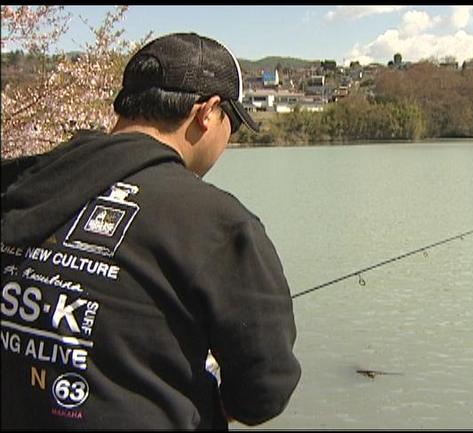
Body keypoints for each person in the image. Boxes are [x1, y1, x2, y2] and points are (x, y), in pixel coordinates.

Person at [1, 32, 301, 430]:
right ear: (208, 112)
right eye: (234, 125)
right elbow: (263, 392)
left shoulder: (20, 185)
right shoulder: (219, 224)